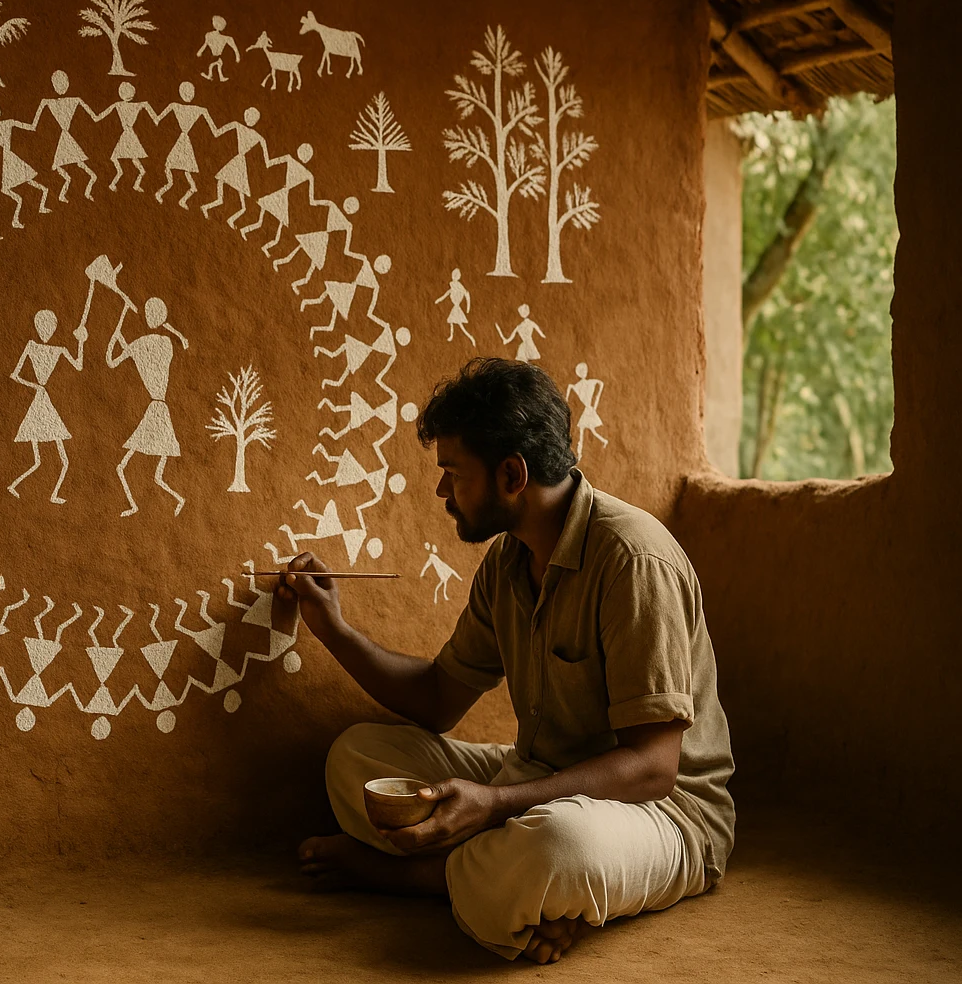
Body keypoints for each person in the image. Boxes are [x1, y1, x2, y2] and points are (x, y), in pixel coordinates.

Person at [277, 357, 734, 965]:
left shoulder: (633, 559)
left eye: (453, 473)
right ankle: (512, 891)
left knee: (558, 845)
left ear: (513, 474)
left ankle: (416, 877)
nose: (442, 491)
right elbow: (439, 699)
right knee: (355, 756)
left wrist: (492, 805)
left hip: (662, 815)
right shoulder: (507, 562)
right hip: (537, 778)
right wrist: (332, 630)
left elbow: (653, 768)